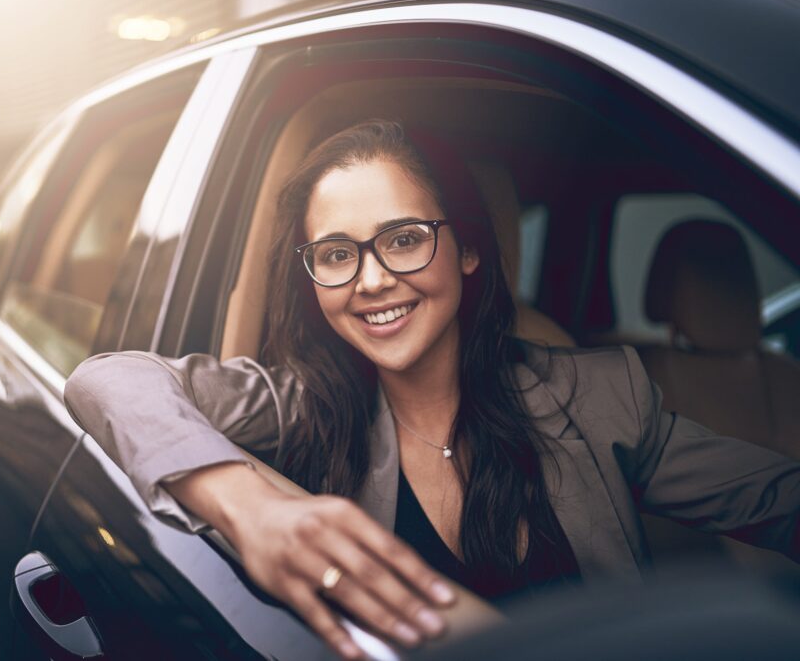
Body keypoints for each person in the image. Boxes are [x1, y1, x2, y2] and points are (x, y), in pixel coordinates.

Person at [64, 120, 800, 659]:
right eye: (337, 253)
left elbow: (777, 500)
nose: (374, 278)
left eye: (405, 237)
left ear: (470, 247)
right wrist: (251, 509)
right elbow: (106, 378)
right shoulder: (302, 407)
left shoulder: (605, 395)